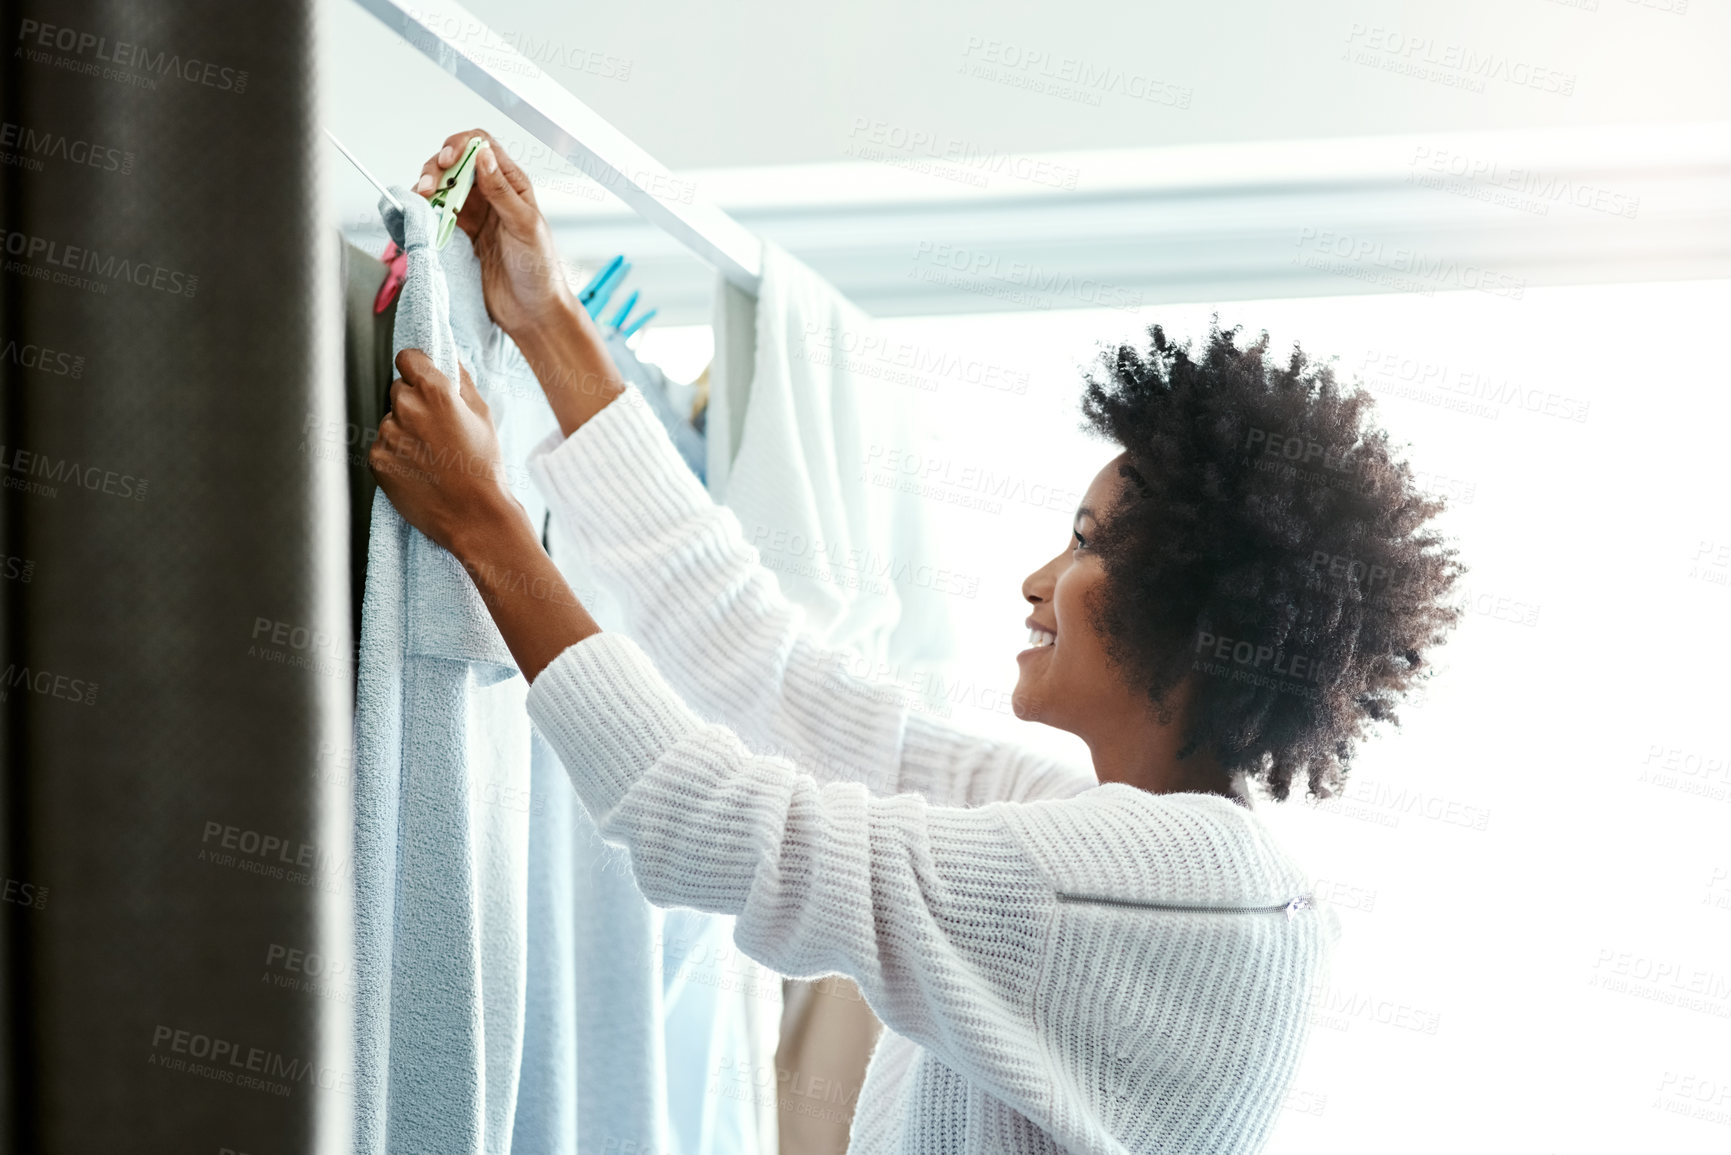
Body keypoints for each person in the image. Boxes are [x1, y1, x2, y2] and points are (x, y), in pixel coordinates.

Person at [370, 129, 1466, 1155]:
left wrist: (487, 528)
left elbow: (711, 824)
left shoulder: (1171, 893)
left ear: (1189, 616)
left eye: (1086, 546)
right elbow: (774, 673)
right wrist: (548, 319)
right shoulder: (1126, 842)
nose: (1039, 583)